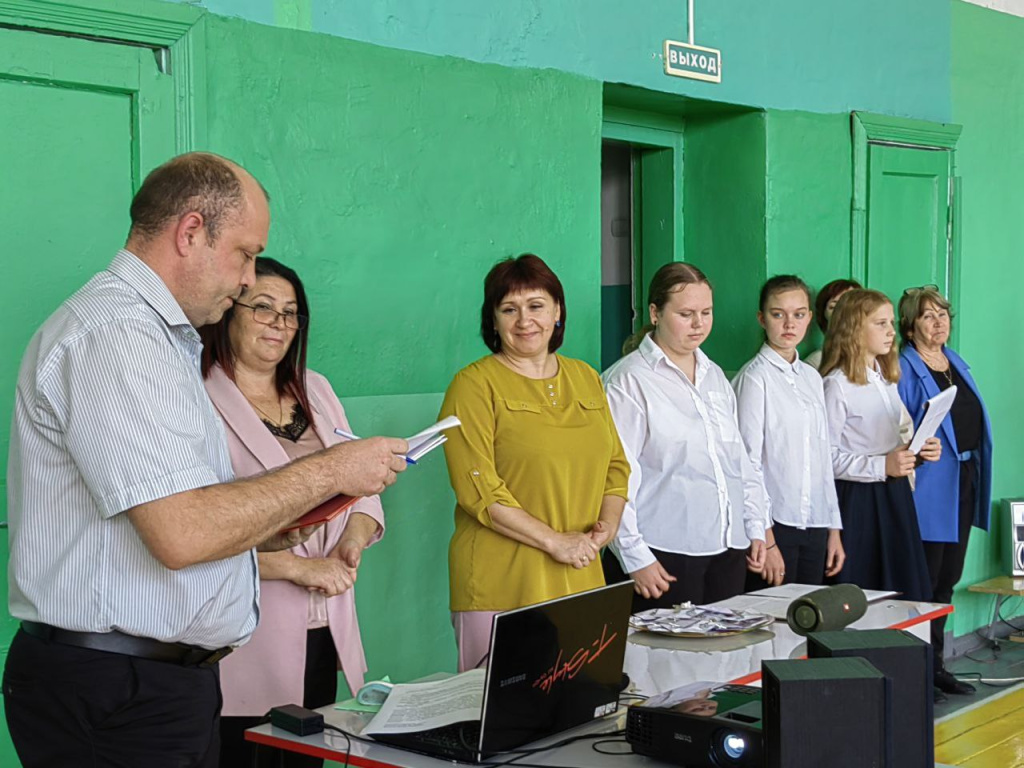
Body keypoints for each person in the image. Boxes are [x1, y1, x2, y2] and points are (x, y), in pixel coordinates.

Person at [3, 153, 408, 768]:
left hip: (152, 682)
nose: (249, 280)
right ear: (190, 233)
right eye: (245, 254)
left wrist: (272, 528)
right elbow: (182, 532)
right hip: (117, 689)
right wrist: (329, 470)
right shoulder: (114, 338)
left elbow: (186, 510)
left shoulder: (160, 340)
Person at [201, 257, 386, 767]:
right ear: (229, 312)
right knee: (246, 755)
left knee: (309, 755)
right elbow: (198, 530)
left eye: (291, 312)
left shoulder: (316, 388)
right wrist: (299, 568)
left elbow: (362, 487)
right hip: (247, 631)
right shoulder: (198, 396)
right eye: (263, 308)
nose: (279, 324)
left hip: (326, 624)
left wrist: (354, 539)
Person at [438, 254, 629, 672]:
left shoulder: (586, 377)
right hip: (503, 581)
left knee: (576, 712)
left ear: (558, 311)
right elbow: (479, 491)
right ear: (493, 320)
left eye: (536, 305)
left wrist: (607, 529)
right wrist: (554, 542)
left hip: (581, 573)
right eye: (509, 309)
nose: (525, 320)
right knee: (503, 719)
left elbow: (616, 466)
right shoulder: (472, 385)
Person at [602, 263, 768, 612]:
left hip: (727, 547)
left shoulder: (715, 377)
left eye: (706, 312)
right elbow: (615, 477)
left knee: (724, 659)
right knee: (665, 662)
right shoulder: (628, 381)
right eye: (686, 314)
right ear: (655, 312)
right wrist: (634, 556)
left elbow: (738, 463)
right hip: (662, 555)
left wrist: (755, 525)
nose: (699, 324)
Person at [896, 285, 993, 701]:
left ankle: (936, 667)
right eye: (928, 317)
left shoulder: (954, 361)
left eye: (943, 314)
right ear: (910, 326)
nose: (939, 323)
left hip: (963, 482)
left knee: (947, 581)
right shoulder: (904, 366)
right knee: (923, 582)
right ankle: (914, 673)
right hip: (929, 491)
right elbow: (897, 431)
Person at [820, 289, 939, 601]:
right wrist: (879, 465)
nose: (891, 331)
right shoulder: (836, 385)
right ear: (854, 329)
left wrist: (918, 451)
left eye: (891, 323)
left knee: (904, 590)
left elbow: (890, 441)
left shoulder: (885, 377)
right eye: (880, 323)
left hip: (893, 494)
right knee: (867, 591)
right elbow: (824, 458)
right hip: (858, 500)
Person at [733, 275, 845, 587]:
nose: (788, 325)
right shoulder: (755, 379)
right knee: (773, 623)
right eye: (777, 314)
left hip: (815, 521)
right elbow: (747, 464)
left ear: (810, 317)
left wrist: (833, 530)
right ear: (762, 318)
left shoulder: (811, 377)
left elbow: (822, 460)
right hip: (775, 524)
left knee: (807, 621)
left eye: (798, 314)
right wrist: (765, 540)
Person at [805, 278, 862, 370]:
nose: (842, 313)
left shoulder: (878, 357)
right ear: (823, 314)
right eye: (834, 307)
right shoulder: (815, 362)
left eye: (851, 306)